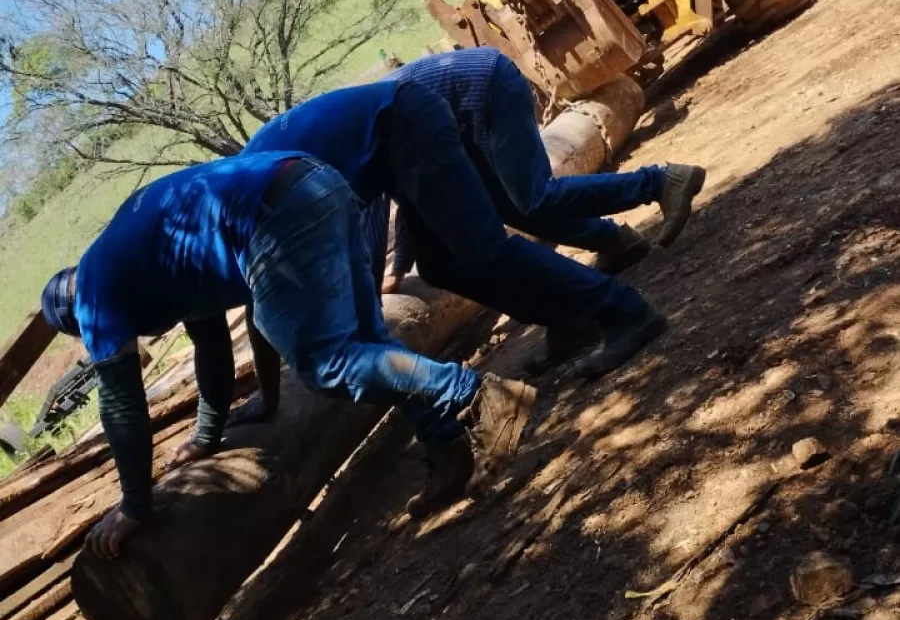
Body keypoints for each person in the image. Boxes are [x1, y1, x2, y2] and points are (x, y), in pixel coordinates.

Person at [40, 152, 540, 556]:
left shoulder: (94, 293)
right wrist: (206, 435)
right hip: (315, 179)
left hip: (275, 213)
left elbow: (123, 407)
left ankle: (477, 394)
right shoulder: (143, 261)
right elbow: (209, 344)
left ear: (74, 315)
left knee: (327, 363)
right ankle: (445, 444)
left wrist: (133, 506)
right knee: (367, 338)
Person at [240, 74, 670, 382]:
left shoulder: (254, 197)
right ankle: (567, 321)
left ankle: (627, 311)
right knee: (441, 266)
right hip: (396, 136)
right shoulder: (237, 201)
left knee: (484, 248)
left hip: (407, 121)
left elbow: (362, 231)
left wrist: (364, 309)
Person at [378, 46, 706, 295]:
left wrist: (396, 269)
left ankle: (661, 181)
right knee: (508, 205)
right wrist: (400, 266)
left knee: (534, 195)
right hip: (465, 110)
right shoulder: (351, 150)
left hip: (484, 88)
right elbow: (409, 196)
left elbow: (410, 200)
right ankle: (615, 241)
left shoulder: (354, 153)